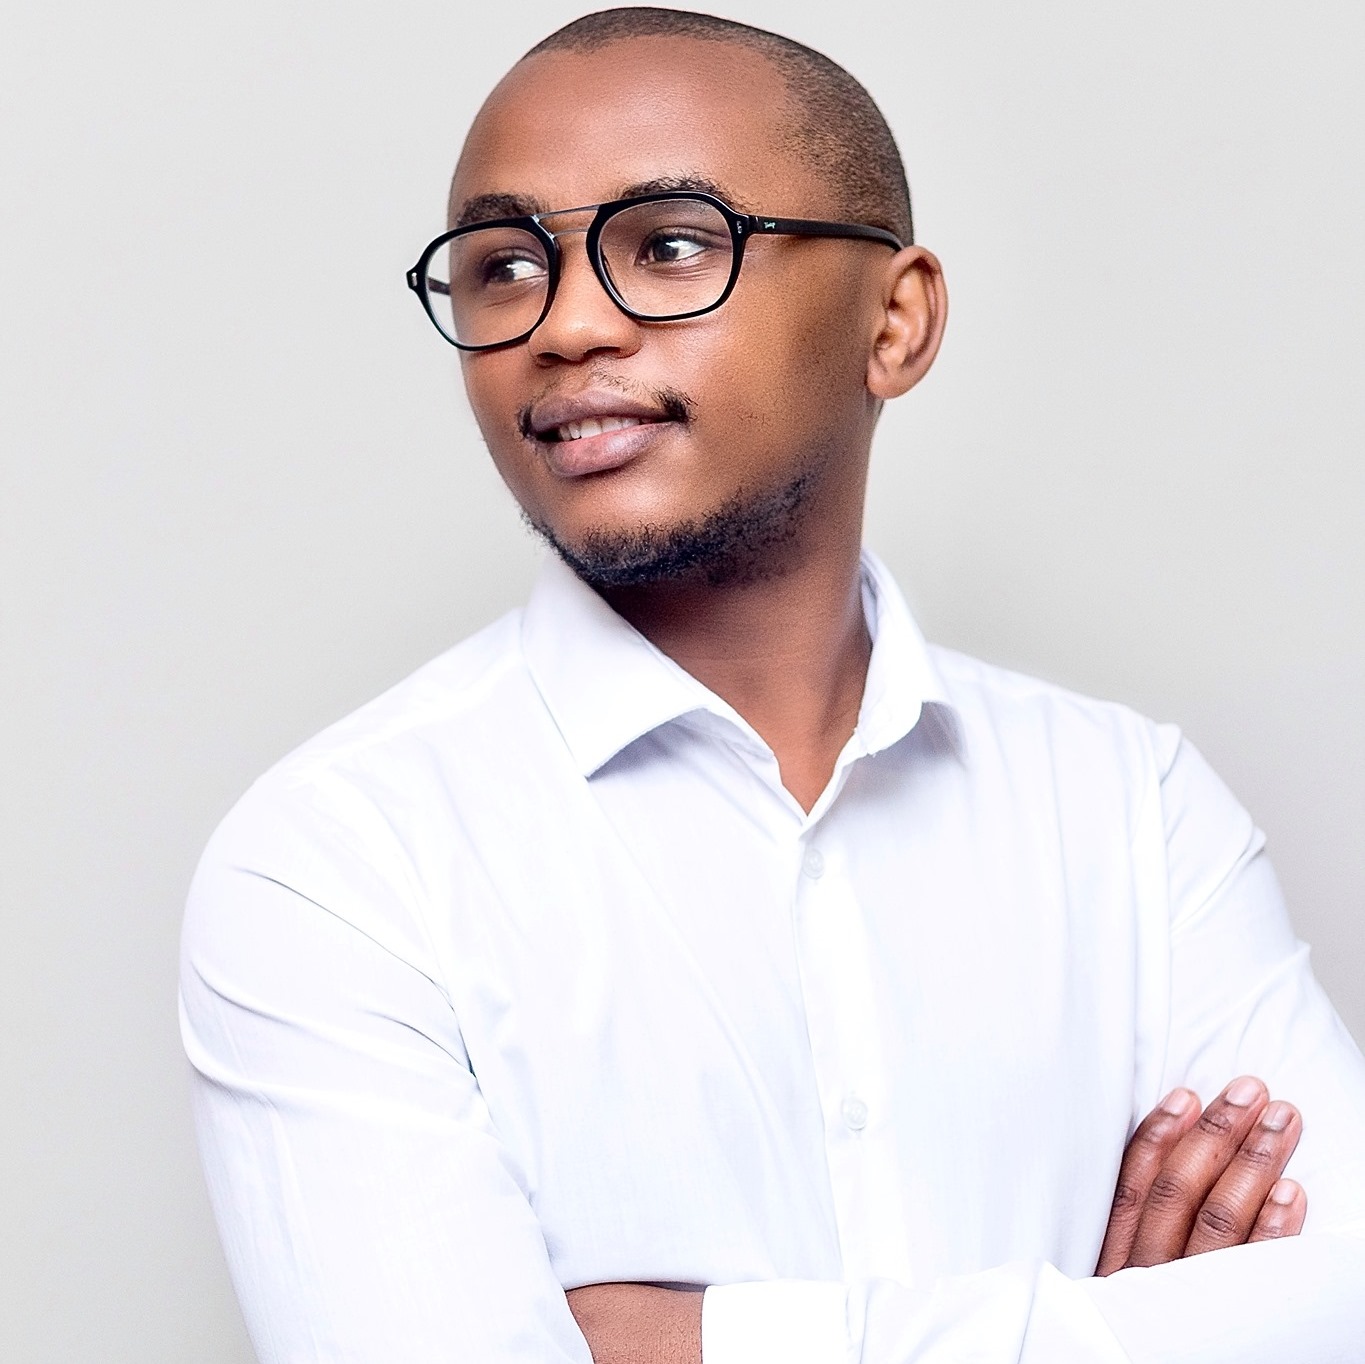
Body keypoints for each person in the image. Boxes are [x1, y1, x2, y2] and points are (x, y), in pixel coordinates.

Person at [179, 8, 1365, 1362]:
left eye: (672, 244)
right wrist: (1130, 1332)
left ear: (895, 322)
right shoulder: (337, 861)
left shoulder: (1130, 811)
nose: (565, 324)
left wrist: (701, 1341)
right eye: (504, 266)